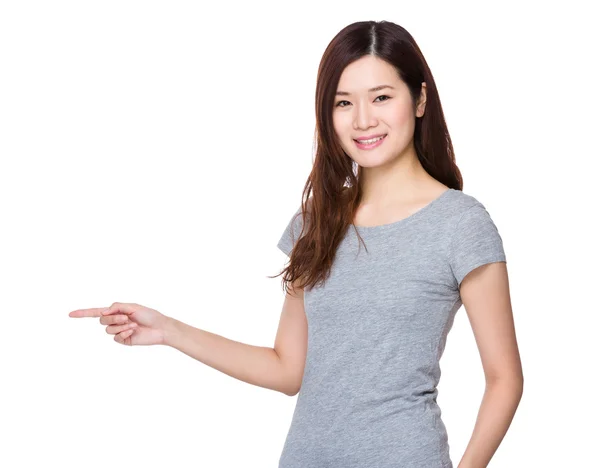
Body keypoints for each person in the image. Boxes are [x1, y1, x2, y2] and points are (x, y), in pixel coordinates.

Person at [68, 20, 523, 468]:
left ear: (420, 99)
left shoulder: (460, 224)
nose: (363, 120)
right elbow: (288, 369)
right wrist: (169, 330)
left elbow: (504, 380)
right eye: (344, 103)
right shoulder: (315, 222)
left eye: (382, 97)